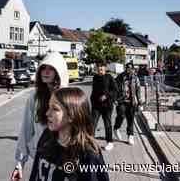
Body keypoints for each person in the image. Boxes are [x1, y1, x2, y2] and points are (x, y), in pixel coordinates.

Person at [10, 52, 69, 181]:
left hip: (65, 159)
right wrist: (19, 164)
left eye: (50, 69)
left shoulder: (69, 98)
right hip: (42, 159)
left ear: (59, 71)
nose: (45, 72)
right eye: (43, 68)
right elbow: (25, 131)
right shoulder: (35, 98)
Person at [29, 87, 109, 181]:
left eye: (55, 109)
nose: (47, 113)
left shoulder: (87, 153)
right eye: (49, 107)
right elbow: (35, 172)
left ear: (72, 116)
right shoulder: (47, 136)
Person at [90, 62, 118, 151]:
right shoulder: (95, 77)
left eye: (101, 68)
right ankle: (91, 142)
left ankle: (109, 142)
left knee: (107, 124)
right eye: (98, 68)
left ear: (105, 68)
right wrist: (92, 101)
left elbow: (115, 90)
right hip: (96, 106)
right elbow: (93, 91)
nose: (100, 70)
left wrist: (106, 96)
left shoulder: (109, 77)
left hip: (107, 106)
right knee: (92, 123)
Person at [113, 62, 142, 145]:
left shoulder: (135, 78)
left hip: (131, 102)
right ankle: (116, 128)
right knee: (121, 115)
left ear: (133, 69)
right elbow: (114, 88)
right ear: (125, 68)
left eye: (130, 68)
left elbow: (138, 90)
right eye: (127, 67)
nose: (129, 69)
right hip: (121, 101)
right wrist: (114, 99)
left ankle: (130, 136)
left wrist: (140, 102)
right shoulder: (120, 77)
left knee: (130, 119)